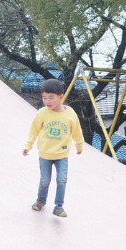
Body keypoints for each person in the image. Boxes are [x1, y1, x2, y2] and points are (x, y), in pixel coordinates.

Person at [21, 78, 84, 217]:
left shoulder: (70, 113)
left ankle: (58, 206)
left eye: (51, 97)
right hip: (45, 155)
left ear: (61, 97)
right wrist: (28, 145)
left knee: (62, 180)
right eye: (44, 97)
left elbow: (77, 131)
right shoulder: (42, 113)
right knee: (45, 181)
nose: (47, 101)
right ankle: (40, 201)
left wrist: (79, 145)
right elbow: (34, 130)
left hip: (62, 155)